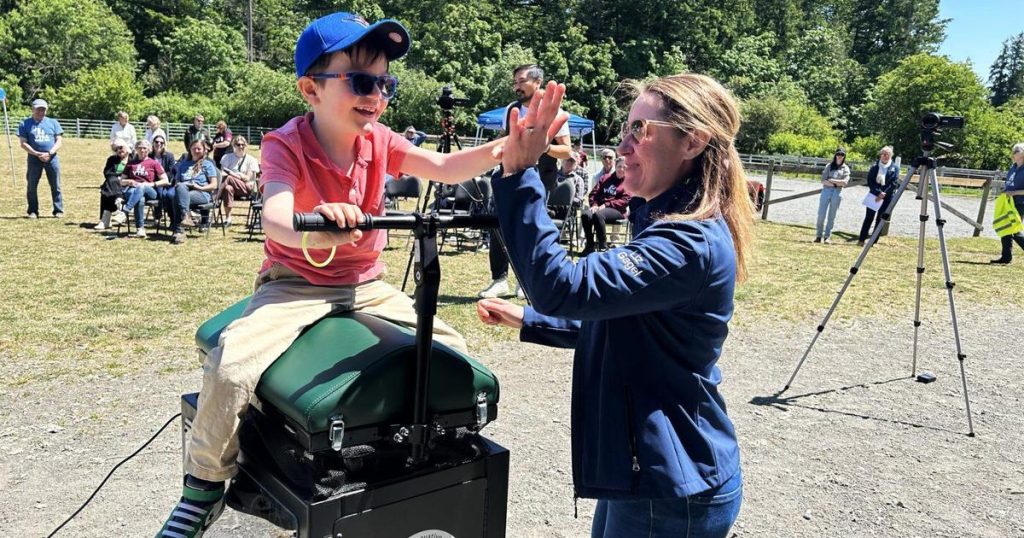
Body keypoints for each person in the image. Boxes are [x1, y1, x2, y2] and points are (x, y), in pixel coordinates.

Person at [156, 12, 511, 537]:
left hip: (366, 285)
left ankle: (426, 457)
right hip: (295, 285)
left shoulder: (381, 140)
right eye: (363, 81)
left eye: (385, 83)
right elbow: (277, 219)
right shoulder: (286, 144)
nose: (377, 95)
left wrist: (507, 149)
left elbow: (440, 166)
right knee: (232, 367)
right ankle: (204, 487)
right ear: (310, 89)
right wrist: (319, 226)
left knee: (449, 351)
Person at [477, 73, 749, 538]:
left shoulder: (688, 241)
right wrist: (531, 318)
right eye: (626, 129)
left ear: (693, 142)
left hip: (670, 486)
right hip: (649, 469)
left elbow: (562, 285)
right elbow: (631, 322)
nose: (622, 146)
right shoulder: (664, 221)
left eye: (640, 131)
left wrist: (520, 174)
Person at [478, 63, 572, 299]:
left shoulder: (554, 112)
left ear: (537, 82)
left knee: (528, 229)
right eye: (515, 82)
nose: (516, 86)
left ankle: (526, 280)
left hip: (539, 181)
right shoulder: (511, 109)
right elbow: (502, 140)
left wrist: (543, 146)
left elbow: (567, 151)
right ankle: (499, 279)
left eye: (521, 81)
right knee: (497, 225)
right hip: (507, 178)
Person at [164, 138, 218, 244]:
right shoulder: (184, 164)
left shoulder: (208, 164)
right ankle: (184, 218)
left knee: (178, 196)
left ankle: (178, 230)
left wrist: (198, 187)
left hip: (202, 193)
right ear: (190, 149)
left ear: (204, 150)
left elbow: (214, 185)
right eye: (194, 148)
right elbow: (177, 182)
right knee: (179, 189)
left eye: (199, 149)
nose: (196, 151)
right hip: (184, 191)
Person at [18, 99, 64, 218]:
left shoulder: (53, 122)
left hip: (52, 158)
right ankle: (33, 211)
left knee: (55, 185)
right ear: (33, 109)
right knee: (32, 185)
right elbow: (23, 143)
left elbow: (59, 140)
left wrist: (50, 152)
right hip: (34, 158)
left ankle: (58, 210)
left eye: (43, 109)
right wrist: (36, 153)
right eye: (38, 109)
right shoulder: (25, 123)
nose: (41, 112)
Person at [580, 156, 631, 255]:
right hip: (599, 208)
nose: (621, 169)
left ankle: (603, 246)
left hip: (618, 210)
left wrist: (606, 205)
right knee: (586, 215)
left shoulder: (629, 182)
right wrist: (594, 204)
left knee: (598, 215)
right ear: (615, 166)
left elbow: (625, 201)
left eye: (624, 167)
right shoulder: (605, 178)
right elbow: (593, 194)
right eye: (619, 166)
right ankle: (590, 245)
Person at [120, 139, 170, 238]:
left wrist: (151, 184)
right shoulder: (131, 163)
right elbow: (121, 181)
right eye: (140, 148)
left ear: (149, 150)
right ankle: (140, 229)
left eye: (145, 148)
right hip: (133, 190)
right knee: (140, 199)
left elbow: (165, 180)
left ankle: (125, 211)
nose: (142, 150)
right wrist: (128, 181)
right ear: (136, 149)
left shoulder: (154, 163)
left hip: (150, 191)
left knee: (142, 186)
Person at [858, 146, 899, 246]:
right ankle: (861, 240)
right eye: (883, 154)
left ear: (891, 155)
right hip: (874, 196)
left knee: (880, 219)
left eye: (887, 154)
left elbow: (894, 183)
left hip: (887, 197)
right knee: (869, 217)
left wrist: (884, 193)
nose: (885, 156)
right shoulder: (874, 166)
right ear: (880, 155)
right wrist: (877, 192)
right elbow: (870, 181)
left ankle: (873, 241)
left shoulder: (895, 168)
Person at [991, 142, 1024, 264]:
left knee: (1014, 230)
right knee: (1005, 227)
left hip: (1020, 202)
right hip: (1009, 202)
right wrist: (1006, 191)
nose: (1015, 153)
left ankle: (1007, 256)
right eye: (1014, 151)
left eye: (1018, 150)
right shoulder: (1013, 167)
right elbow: (1010, 184)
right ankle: (1006, 257)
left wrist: (1015, 193)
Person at [218, 135, 261, 226]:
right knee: (228, 188)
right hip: (231, 187)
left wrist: (232, 174)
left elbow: (247, 178)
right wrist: (239, 175)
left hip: (246, 188)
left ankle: (216, 196)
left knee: (229, 178)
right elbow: (222, 174)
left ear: (246, 146)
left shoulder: (251, 160)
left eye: (243, 145)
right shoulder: (226, 157)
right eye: (238, 144)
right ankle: (228, 218)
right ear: (234, 145)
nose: (241, 147)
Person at [815, 147, 850, 244]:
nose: (840, 156)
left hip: (837, 193)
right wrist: (836, 183)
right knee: (821, 214)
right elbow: (823, 180)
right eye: (838, 154)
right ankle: (818, 235)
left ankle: (827, 236)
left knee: (832, 215)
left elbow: (845, 182)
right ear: (835, 155)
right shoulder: (829, 166)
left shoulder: (845, 168)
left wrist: (832, 181)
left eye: (842, 155)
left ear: (844, 156)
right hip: (826, 191)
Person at [94, 140, 131, 231]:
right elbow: (107, 172)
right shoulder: (112, 159)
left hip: (127, 183)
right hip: (114, 184)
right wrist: (118, 178)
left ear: (127, 147)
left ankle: (105, 220)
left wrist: (122, 179)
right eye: (116, 149)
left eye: (121, 147)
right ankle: (118, 198)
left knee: (106, 189)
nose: (119, 150)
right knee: (110, 182)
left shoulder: (133, 159)